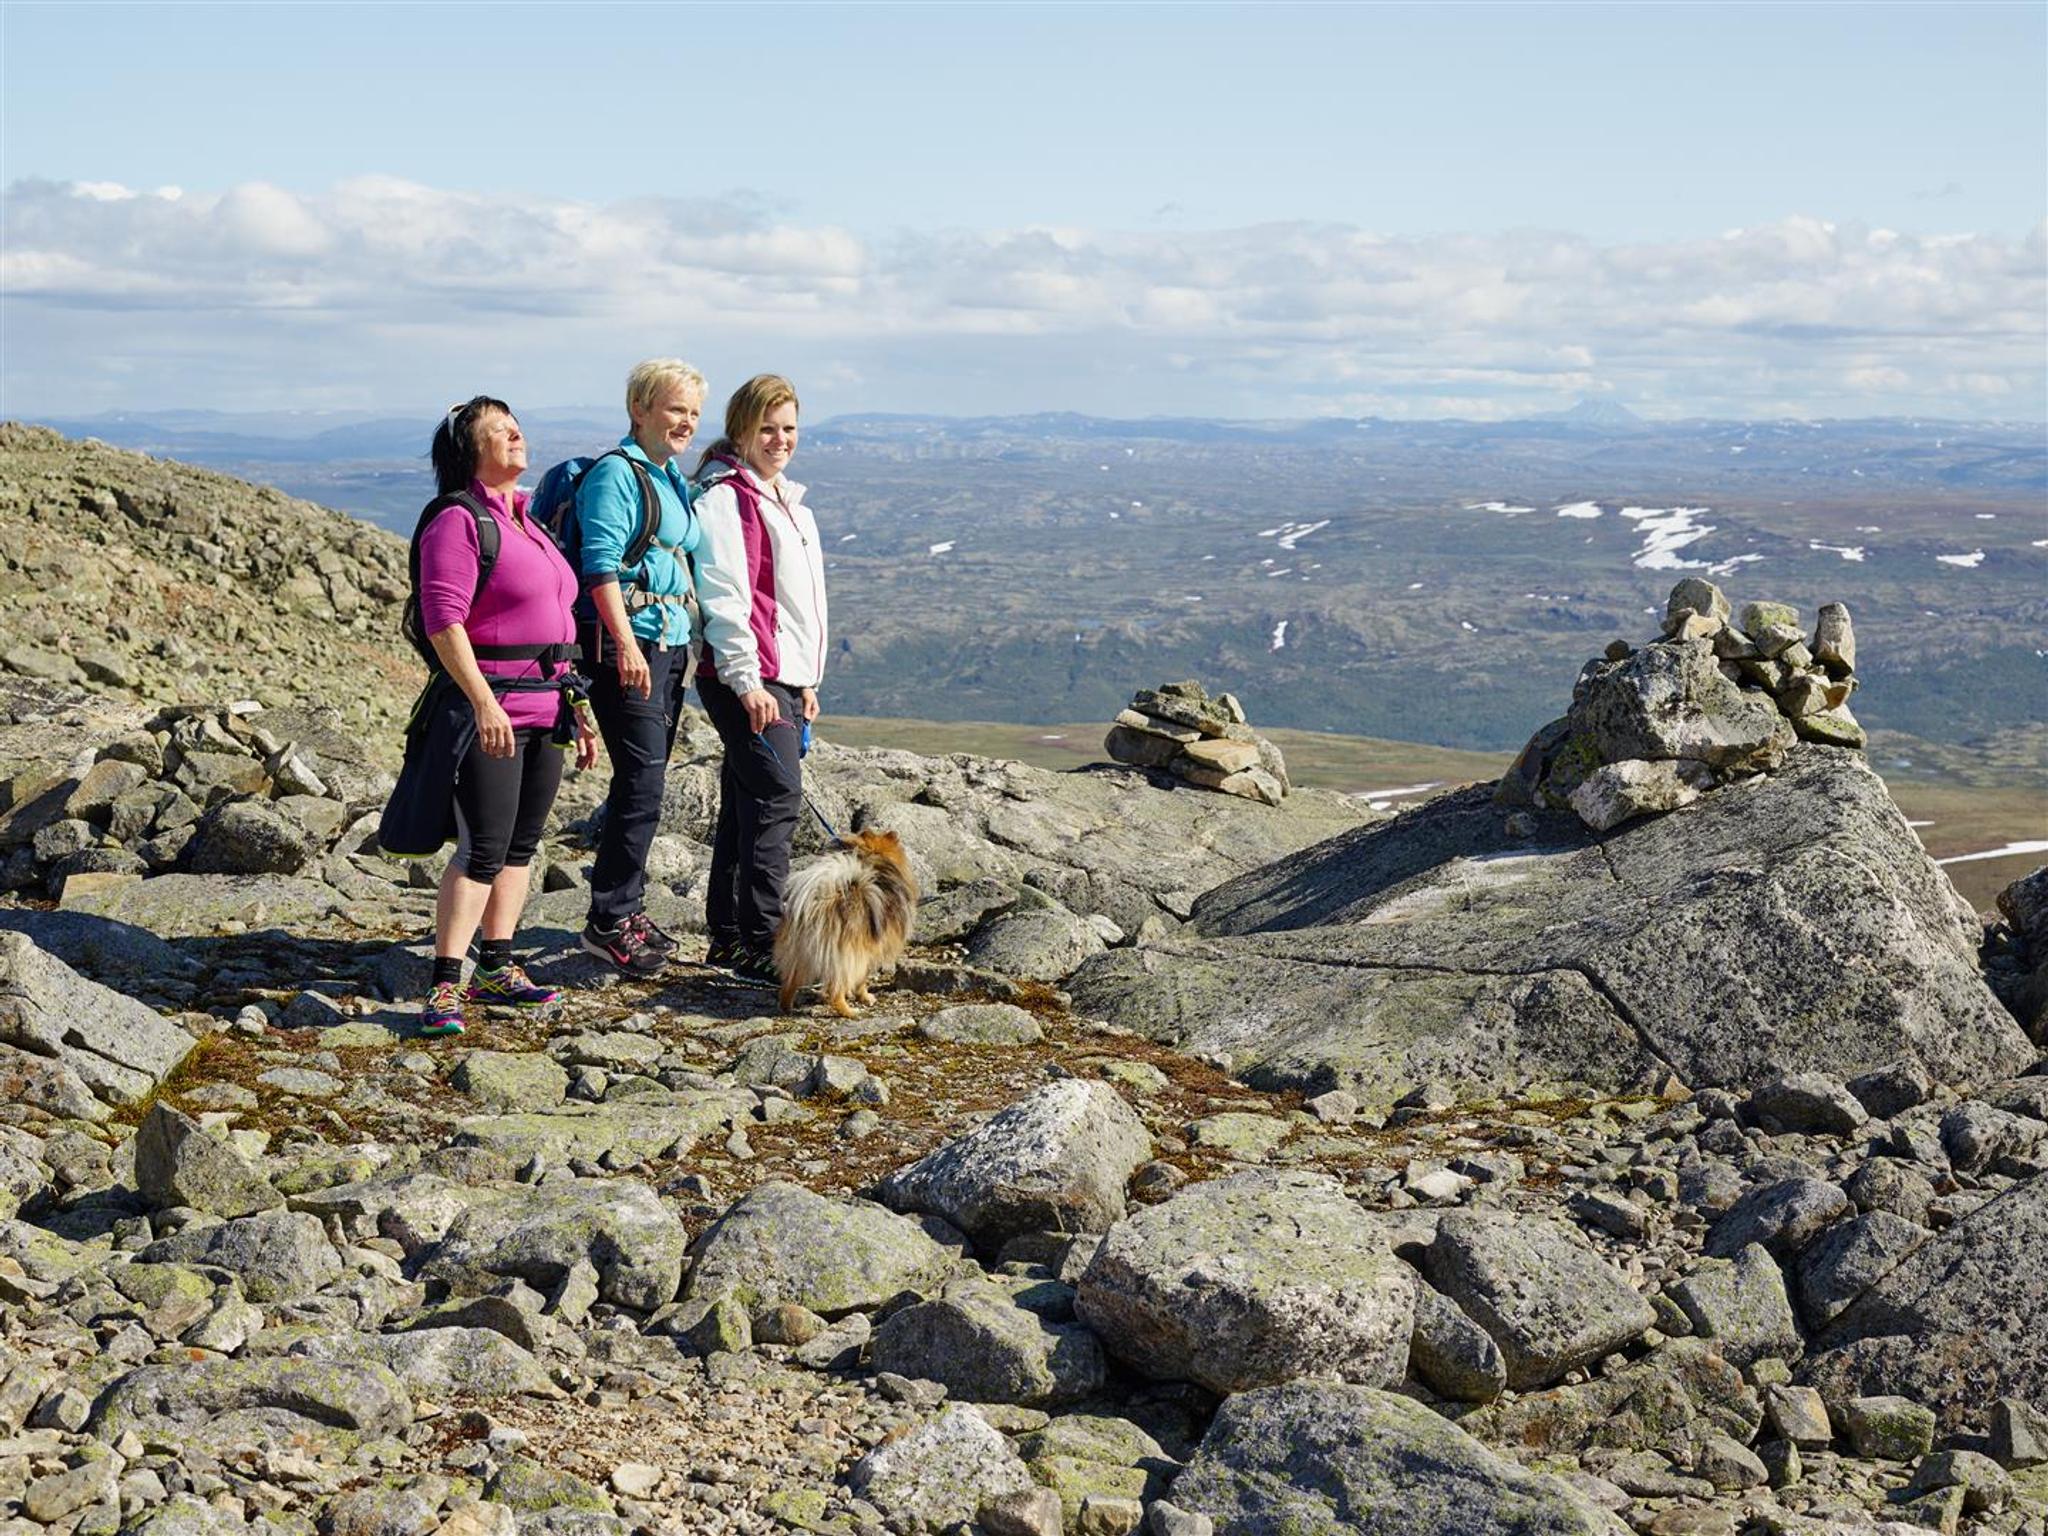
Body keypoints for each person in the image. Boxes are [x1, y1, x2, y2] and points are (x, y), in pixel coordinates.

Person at [415, 397, 597, 1037]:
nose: (514, 434)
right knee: (484, 847)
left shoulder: (529, 523)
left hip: (548, 705)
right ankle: (444, 983)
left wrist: (577, 706)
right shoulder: (458, 521)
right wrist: (483, 702)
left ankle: (497, 965)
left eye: (514, 424)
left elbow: (556, 625)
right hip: (490, 709)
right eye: (497, 430)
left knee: (521, 844)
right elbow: (444, 618)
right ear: (471, 452)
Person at [691, 374, 827, 985]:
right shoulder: (729, 499)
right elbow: (727, 597)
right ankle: (763, 938)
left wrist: (803, 681)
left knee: (751, 801)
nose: (779, 439)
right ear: (741, 430)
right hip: (746, 677)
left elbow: (791, 606)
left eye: (789, 428)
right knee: (776, 799)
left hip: (779, 678)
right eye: (767, 428)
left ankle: (730, 937)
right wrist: (748, 681)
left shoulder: (787, 502)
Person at [575, 359, 707, 974]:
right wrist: (626, 646)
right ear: (640, 409)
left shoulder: (670, 476)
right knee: (641, 783)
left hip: (670, 646)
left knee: (645, 782)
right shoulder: (616, 474)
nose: (686, 422)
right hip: (631, 647)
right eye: (675, 408)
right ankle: (608, 918)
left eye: (693, 413)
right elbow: (599, 564)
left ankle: (624, 912)